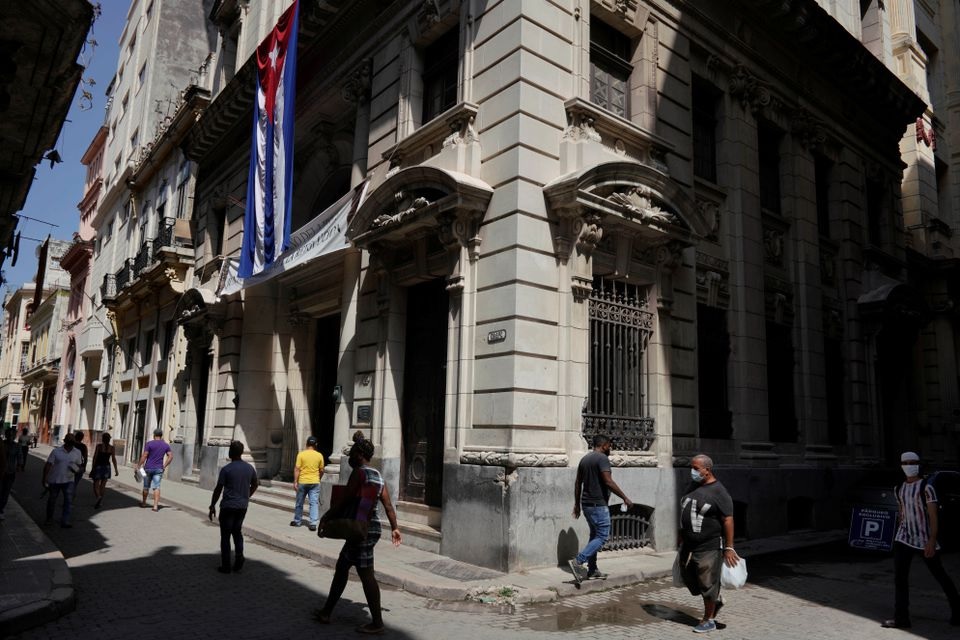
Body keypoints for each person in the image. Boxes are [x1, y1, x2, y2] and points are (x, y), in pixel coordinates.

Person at [314, 431, 401, 635]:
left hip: (361, 529)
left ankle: (377, 622)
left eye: (352, 452)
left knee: (366, 573)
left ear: (360, 454)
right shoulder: (378, 476)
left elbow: (345, 500)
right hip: (370, 529)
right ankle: (326, 611)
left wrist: (326, 517)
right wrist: (395, 527)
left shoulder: (359, 474)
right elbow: (388, 506)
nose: (350, 456)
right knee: (342, 566)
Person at [881, 451, 960, 629]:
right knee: (900, 579)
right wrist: (901, 527)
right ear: (901, 466)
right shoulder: (899, 488)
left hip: (924, 539)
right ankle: (901, 619)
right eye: (906, 462)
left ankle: (958, 612)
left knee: (940, 576)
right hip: (903, 539)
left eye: (913, 462)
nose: (909, 465)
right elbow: (902, 513)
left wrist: (932, 540)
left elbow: (933, 516)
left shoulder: (926, 487)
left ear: (919, 464)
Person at [678, 454, 740, 634]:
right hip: (688, 544)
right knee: (689, 578)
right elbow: (685, 510)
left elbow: (728, 520)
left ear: (707, 470)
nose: (692, 471)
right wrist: (681, 534)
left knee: (707, 583)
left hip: (708, 546)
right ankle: (715, 601)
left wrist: (729, 547)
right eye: (692, 467)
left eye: (696, 469)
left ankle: (709, 620)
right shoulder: (693, 486)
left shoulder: (719, 492)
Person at [568, 434, 633, 584]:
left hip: (587, 505)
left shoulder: (585, 459)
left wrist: (577, 504)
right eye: (609, 446)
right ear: (604, 445)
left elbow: (578, 483)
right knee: (602, 536)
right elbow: (608, 481)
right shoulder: (602, 459)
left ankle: (592, 570)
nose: (610, 449)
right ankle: (578, 561)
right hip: (598, 505)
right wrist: (625, 497)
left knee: (594, 536)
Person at [209, 440, 259, 574]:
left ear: (231, 452)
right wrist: (247, 496)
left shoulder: (227, 469)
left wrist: (212, 505)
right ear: (241, 453)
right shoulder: (249, 468)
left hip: (228, 506)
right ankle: (239, 557)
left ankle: (226, 566)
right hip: (242, 506)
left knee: (225, 536)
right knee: (237, 532)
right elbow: (255, 484)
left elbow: (218, 489)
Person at [42, 433, 83, 528]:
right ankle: (49, 519)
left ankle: (65, 520)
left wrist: (77, 469)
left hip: (69, 480)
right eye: (69, 441)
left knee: (68, 501)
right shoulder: (56, 451)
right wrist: (44, 478)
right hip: (55, 480)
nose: (71, 443)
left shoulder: (77, 452)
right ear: (65, 441)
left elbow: (80, 466)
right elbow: (48, 465)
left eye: (72, 442)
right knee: (52, 500)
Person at [291, 435, 324, 531]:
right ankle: (313, 523)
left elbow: (297, 469)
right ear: (316, 445)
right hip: (315, 482)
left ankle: (297, 521)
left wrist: (295, 481)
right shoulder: (319, 455)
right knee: (313, 503)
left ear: (306, 444)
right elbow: (321, 470)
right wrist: (318, 478)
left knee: (299, 502)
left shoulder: (301, 454)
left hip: (303, 481)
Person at [138, 428, 172, 511]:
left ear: (154, 435)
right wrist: (164, 466)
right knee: (156, 487)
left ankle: (144, 503)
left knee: (146, 487)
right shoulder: (165, 445)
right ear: (161, 436)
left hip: (148, 468)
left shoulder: (149, 444)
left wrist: (139, 465)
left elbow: (145, 455)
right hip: (159, 469)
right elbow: (170, 456)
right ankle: (155, 506)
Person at [90, 432, 119, 509]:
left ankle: (98, 497)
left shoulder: (99, 446)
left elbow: (95, 457)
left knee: (96, 484)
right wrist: (116, 469)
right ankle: (100, 501)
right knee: (103, 485)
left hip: (98, 466)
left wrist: (93, 468)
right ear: (109, 439)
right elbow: (113, 459)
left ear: (102, 439)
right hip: (107, 467)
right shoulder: (112, 448)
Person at [0, 427, 18, 521]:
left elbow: (20, 457)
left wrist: (19, 465)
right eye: (9, 434)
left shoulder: (17, 446)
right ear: (6, 435)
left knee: (6, 492)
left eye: (13, 435)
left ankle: (1, 509)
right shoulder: (1, 443)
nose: (11, 436)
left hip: (10, 472)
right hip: (1, 471)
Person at [71, 431, 88, 497]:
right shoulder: (83, 446)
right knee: (75, 483)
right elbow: (85, 457)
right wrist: (84, 467)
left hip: (71, 465)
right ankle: (71, 498)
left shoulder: (72, 445)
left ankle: (69, 498)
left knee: (69, 482)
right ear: (82, 438)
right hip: (79, 466)